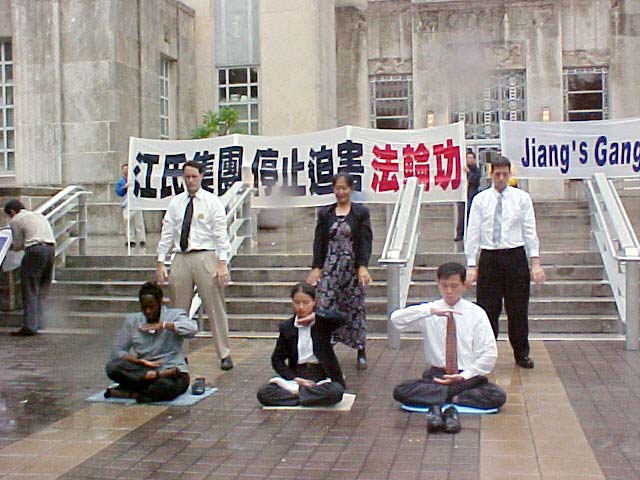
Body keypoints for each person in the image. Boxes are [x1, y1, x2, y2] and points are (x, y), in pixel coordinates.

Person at [391, 262, 507, 433]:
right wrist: (429, 311)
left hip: (466, 377)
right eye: (444, 286)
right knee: (401, 391)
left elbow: (489, 354)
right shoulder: (430, 310)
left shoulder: (476, 313)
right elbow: (396, 319)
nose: (449, 291)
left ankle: (440, 399)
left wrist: (464, 376)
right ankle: (454, 398)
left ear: (464, 285)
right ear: (438, 284)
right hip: (437, 375)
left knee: (497, 395)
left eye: (454, 286)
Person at [465, 156, 546, 369]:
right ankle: (485, 354)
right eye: (497, 174)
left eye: (504, 174)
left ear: (510, 175)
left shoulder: (522, 198)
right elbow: (473, 231)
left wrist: (535, 262)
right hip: (490, 258)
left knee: (517, 309)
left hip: (515, 257)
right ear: (491, 174)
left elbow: (529, 230)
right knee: (487, 310)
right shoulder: (481, 200)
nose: (501, 178)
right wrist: (471, 264)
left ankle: (521, 353)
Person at [156, 160, 234, 371]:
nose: (190, 181)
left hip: (205, 256)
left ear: (201, 177)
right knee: (178, 309)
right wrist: (161, 261)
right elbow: (167, 231)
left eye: (194, 176)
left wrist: (222, 262)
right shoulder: (176, 203)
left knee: (215, 306)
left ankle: (224, 353)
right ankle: (179, 354)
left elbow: (220, 233)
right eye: (187, 177)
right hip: (181, 257)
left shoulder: (211, 201)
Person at [306, 173, 372, 370]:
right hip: (330, 267)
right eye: (337, 188)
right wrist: (316, 267)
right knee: (324, 305)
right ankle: (324, 349)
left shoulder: (360, 212)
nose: (340, 192)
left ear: (351, 189)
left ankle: (360, 349)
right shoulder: (325, 213)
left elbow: (365, 241)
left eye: (344, 188)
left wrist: (362, 266)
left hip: (351, 268)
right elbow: (319, 241)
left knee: (355, 308)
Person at [105, 282, 197, 403]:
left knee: (165, 387)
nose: (148, 312)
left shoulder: (174, 315)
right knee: (112, 367)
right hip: (143, 372)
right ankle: (147, 387)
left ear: (160, 303)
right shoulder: (132, 321)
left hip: (171, 372)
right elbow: (117, 350)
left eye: (151, 307)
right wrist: (138, 361)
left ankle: (132, 393)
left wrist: (163, 325)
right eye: (144, 308)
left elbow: (192, 329)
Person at [257, 282, 346, 407]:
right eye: (297, 302)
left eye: (306, 302)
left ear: (314, 302)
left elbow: (342, 318)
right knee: (264, 393)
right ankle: (307, 397)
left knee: (336, 391)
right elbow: (277, 359)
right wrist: (294, 378)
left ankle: (298, 396)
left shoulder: (322, 323)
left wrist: (316, 316)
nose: (301, 307)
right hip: (297, 375)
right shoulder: (287, 327)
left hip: (321, 375)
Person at [4, 199, 55, 336]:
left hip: (35, 250)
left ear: (12, 212)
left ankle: (30, 326)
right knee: (41, 287)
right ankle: (40, 322)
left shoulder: (16, 220)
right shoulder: (38, 215)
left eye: (9, 215)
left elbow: (18, 245)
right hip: (50, 249)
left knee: (29, 287)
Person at [115, 163, 146, 247]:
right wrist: (125, 187)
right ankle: (130, 239)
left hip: (136, 203)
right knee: (128, 222)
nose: (126, 171)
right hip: (126, 203)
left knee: (139, 222)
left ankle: (142, 238)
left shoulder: (135, 180)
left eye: (127, 169)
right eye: (124, 169)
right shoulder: (120, 182)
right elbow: (119, 192)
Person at [455, 150, 482, 241]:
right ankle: (460, 234)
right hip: (463, 194)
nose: (469, 160)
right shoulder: (461, 169)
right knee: (461, 215)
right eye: (467, 158)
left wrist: (469, 172)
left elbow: (475, 181)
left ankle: (470, 233)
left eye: (471, 158)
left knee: (470, 214)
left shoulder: (476, 170)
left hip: (472, 194)